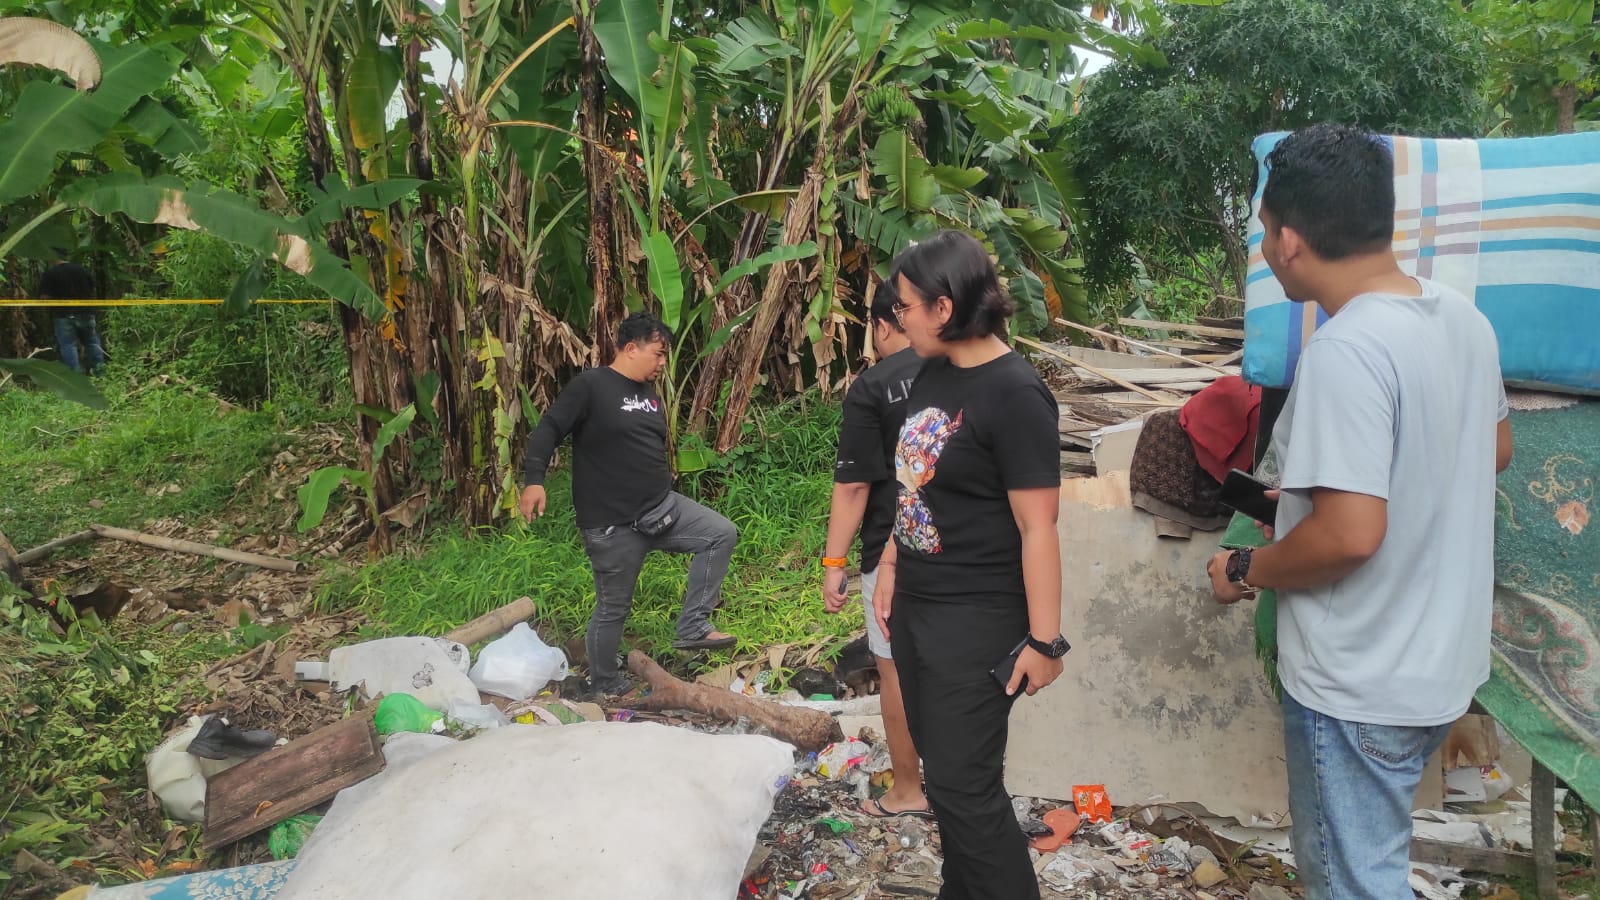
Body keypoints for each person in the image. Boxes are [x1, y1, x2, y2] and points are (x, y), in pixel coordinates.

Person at [1206, 124, 1514, 900]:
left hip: (1361, 680)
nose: (1268, 249)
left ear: (1293, 243)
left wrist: (1245, 568)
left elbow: (1350, 535)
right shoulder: (1460, 320)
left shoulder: (1346, 351)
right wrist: (1320, 489)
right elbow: (1493, 450)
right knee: (1372, 867)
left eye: (1266, 231)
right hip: (1440, 665)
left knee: (1352, 882)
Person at [871, 230, 1069, 900]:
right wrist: (895, 560)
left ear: (944, 308)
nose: (897, 317)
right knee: (948, 779)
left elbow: (1037, 526)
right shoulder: (935, 370)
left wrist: (1046, 641)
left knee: (963, 784)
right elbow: (913, 484)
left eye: (905, 306)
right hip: (919, 606)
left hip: (977, 617)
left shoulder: (1015, 393)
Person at [519, 311, 740, 696]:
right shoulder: (591, 386)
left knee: (720, 534)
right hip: (612, 524)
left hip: (661, 509)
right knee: (613, 608)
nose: (661, 363)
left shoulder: (648, 395)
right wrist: (534, 480)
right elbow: (549, 429)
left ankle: (693, 626)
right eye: (657, 354)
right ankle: (605, 683)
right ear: (631, 347)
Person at [820, 281, 930, 820]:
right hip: (965, 549)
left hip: (892, 553)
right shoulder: (964, 368)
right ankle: (965, 784)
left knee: (895, 671)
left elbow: (854, 487)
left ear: (885, 324)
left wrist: (833, 564)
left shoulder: (874, 386)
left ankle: (909, 789)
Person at [39, 262, 107, 375]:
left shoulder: (51, 273)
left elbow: (44, 297)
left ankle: (75, 377)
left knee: (68, 346)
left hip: (63, 315)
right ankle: (100, 373)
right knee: (92, 343)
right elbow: (92, 288)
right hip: (86, 312)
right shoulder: (82, 270)